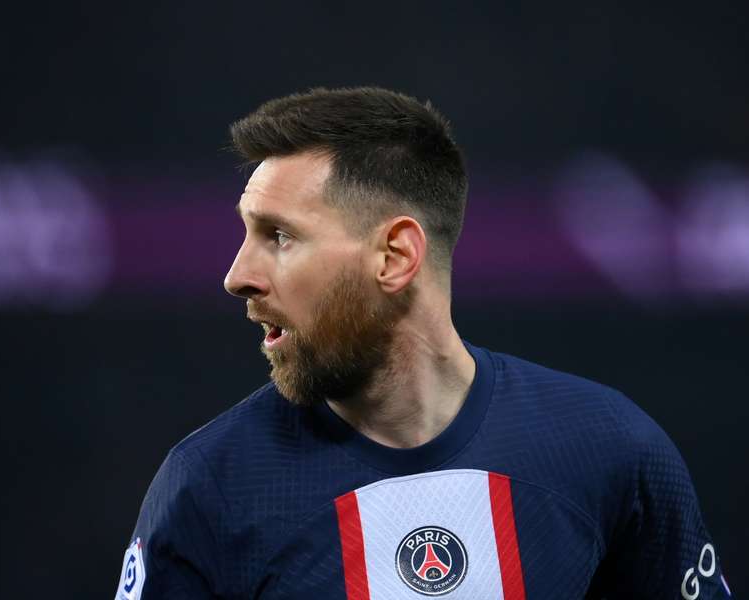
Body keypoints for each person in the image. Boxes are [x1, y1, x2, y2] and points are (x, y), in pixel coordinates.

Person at [114, 87, 731, 599]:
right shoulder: (209, 488)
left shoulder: (609, 451)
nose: (236, 275)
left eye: (278, 236)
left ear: (395, 255)